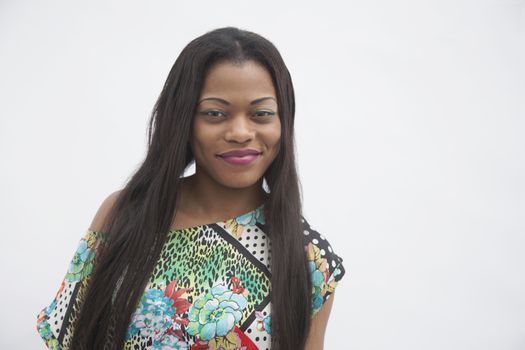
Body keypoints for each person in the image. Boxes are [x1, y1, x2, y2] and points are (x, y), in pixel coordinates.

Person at [36, 26, 346, 350]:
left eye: (261, 114)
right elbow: (75, 336)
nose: (240, 132)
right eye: (215, 113)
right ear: (183, 119)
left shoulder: (309, 259)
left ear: (283, 122)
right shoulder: (126, 213)